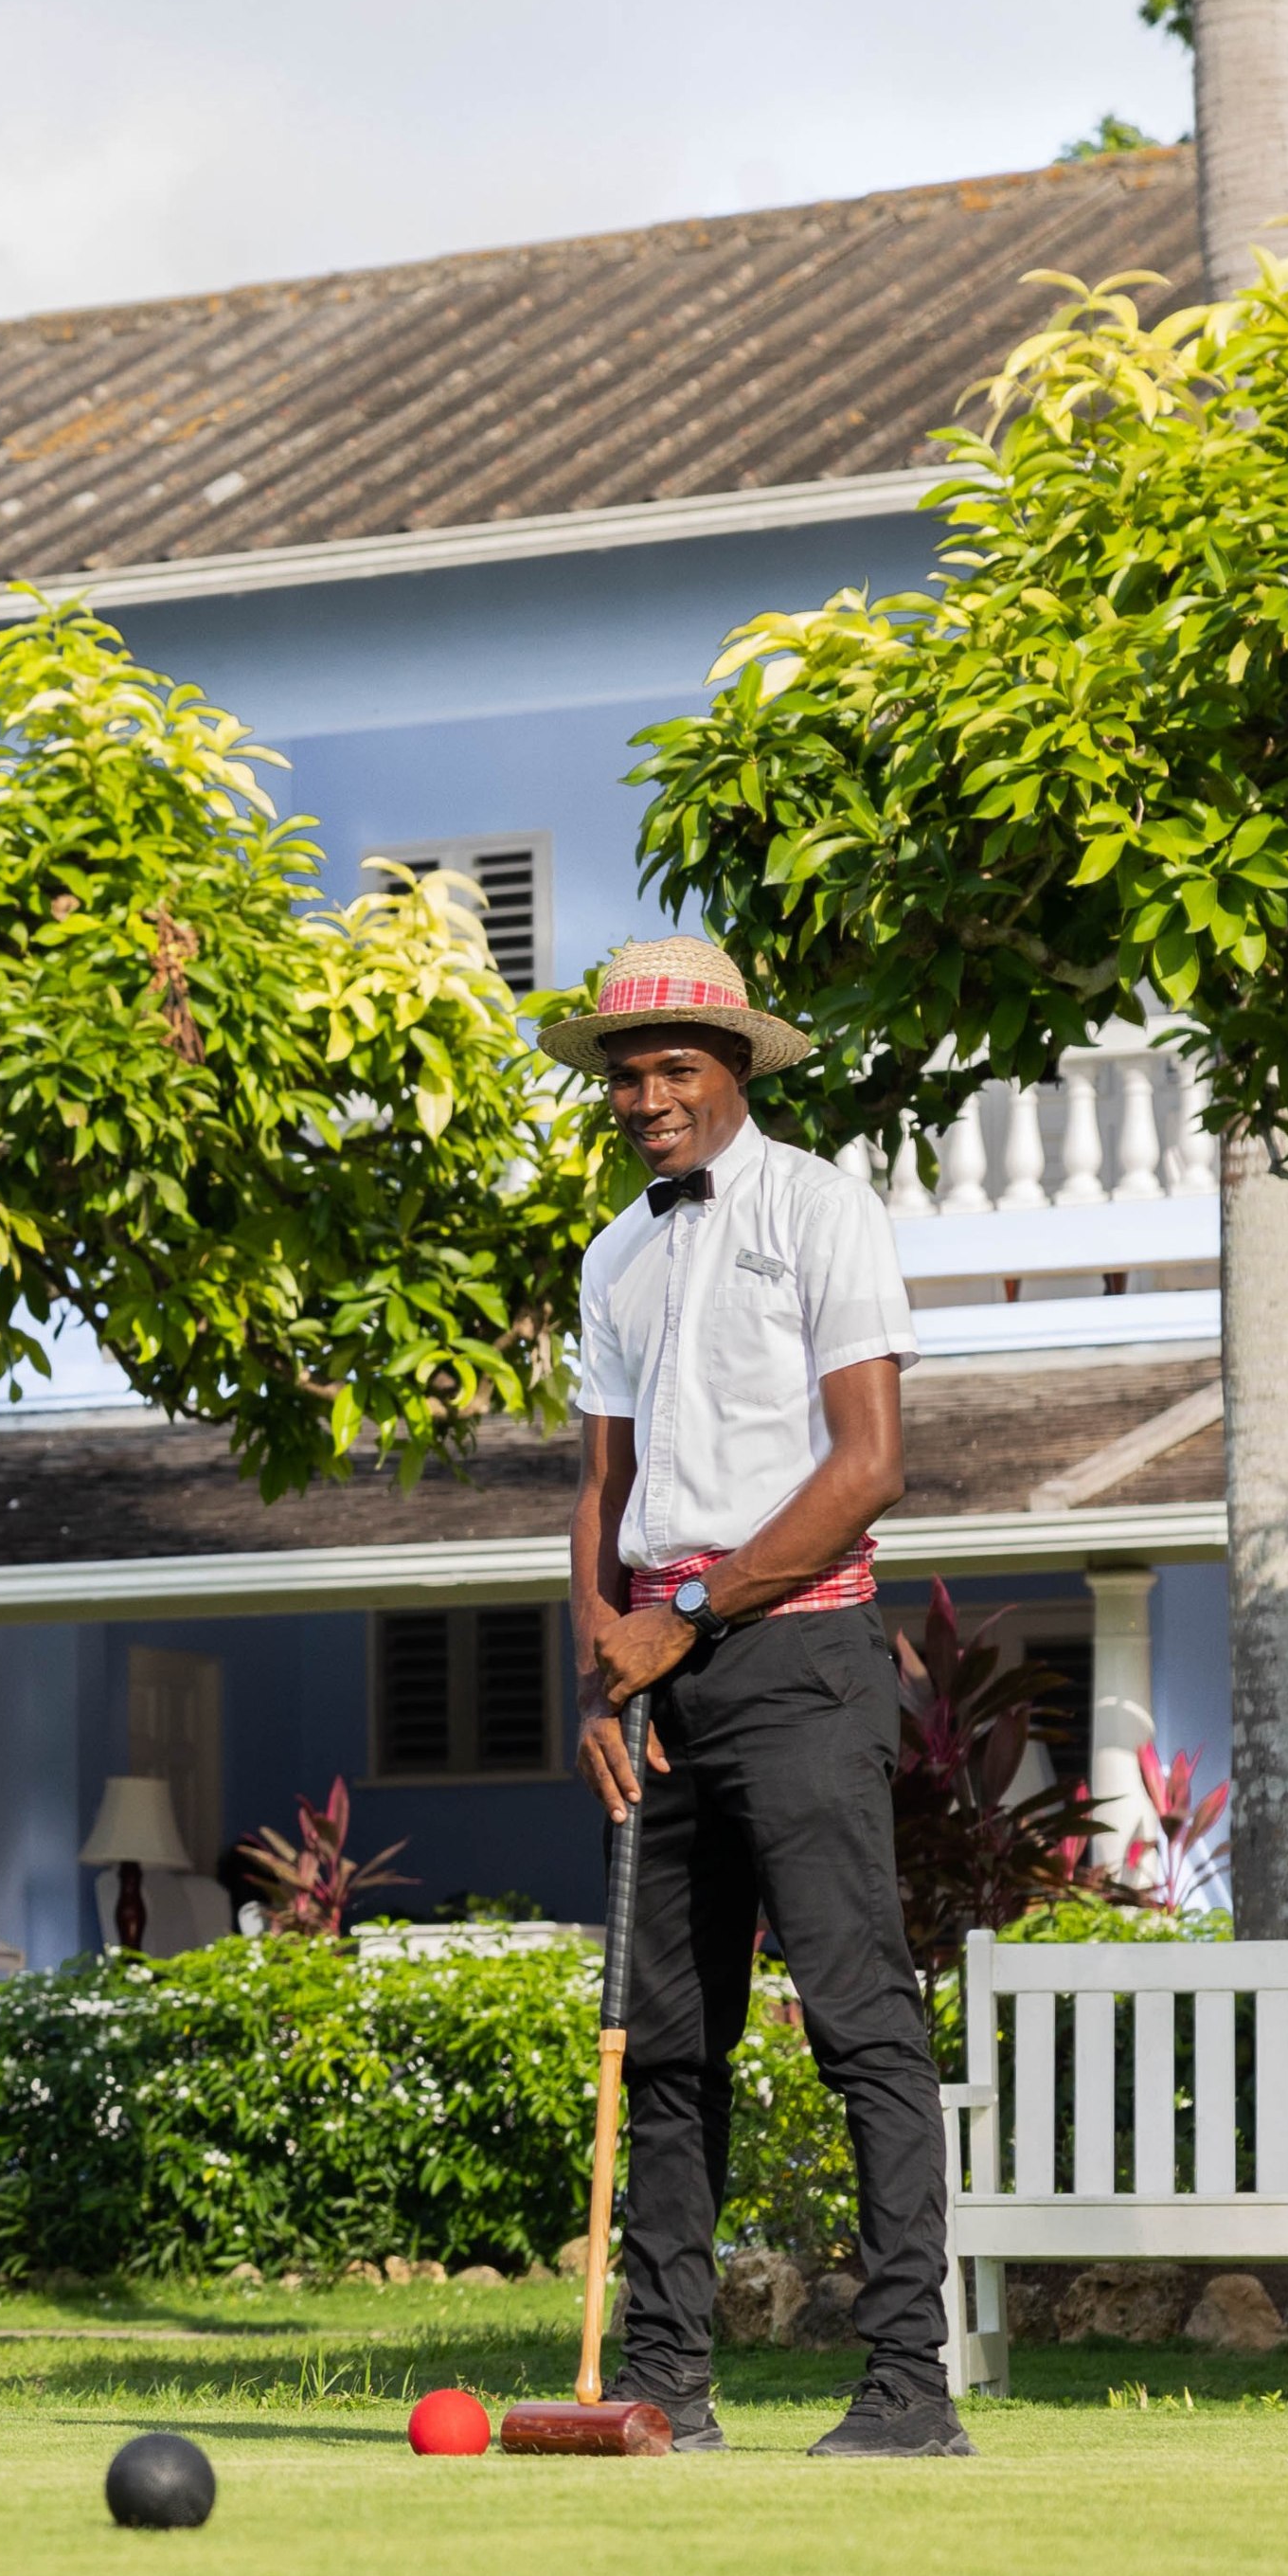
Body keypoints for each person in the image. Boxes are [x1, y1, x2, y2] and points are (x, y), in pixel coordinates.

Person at [546, 936, 965, 2459]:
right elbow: (602, 1484)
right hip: (657, 1676)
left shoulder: (820, 1209)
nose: (646, 1097)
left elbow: (868, 1470)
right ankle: (666, 2378)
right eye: (626, 1075)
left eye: (674, 1069)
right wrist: (602, 1658)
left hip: (798, 1657)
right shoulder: (613, 1256)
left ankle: (908, 2385)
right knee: (665, 2039)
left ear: (735, 1070)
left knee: (858, 2019)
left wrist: (690, 1615)